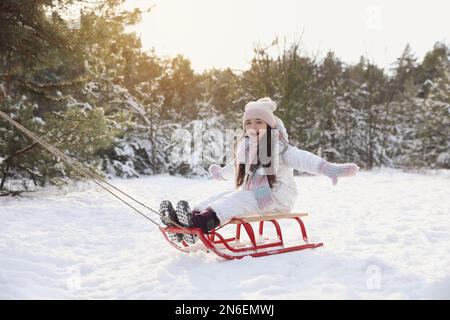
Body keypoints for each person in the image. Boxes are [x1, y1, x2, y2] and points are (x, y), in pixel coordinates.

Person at [160, 97, 359, 244]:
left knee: (235, 200)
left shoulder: (280, 148)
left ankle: (199, 223)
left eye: (258, 121)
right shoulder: (247, 148)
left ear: (269, 125)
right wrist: (221, 173)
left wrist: (327, 168)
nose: (253, 126)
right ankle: (182, 222)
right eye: (248, 122)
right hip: (255, 194)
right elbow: (237, 167)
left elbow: (302, 157)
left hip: (275, 198)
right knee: (223, 196)